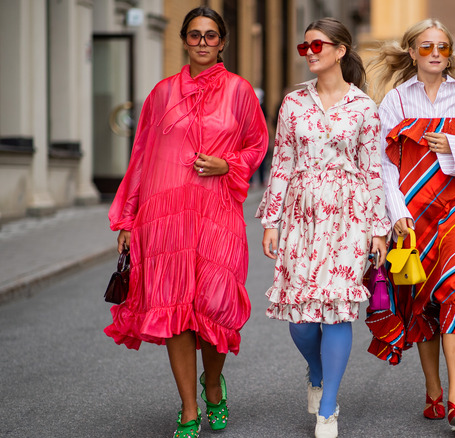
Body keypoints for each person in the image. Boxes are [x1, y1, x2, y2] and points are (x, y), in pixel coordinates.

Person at [105, 7, 268, 437]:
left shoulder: (239, 92)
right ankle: (189, 408)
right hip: (164, 218)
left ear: (222, 42)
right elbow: (140, 157)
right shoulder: (161, 94)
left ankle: (213, 385)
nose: (202, 42)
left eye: (210, 35)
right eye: (194, 35)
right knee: (176, 310)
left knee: (215, 306)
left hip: (218, 214)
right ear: (183, 40)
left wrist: (228, 165)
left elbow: (257, 144)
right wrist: (127, 218)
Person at [365, 18, 455, 431]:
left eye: (443, 46)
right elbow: (383, 164)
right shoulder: (394, 103)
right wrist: (397, 212)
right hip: (412, 215)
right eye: (427, 47)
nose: (437, 54)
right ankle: (433, 391)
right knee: (422, 300)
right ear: (412, 52)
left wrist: (454, 147)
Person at [256, 18, 390, 438]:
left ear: (340, 51)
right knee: (300, 318)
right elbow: (281, 165)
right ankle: (315, 372)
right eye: (305, 47)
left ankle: (328, 406)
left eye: (318, 45)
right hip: (301, 216)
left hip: (349, 218)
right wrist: (271, 221)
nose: (310, 51)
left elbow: (373, 172)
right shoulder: (293, 104)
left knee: (336, 313)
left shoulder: (364, 108)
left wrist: (378, 229)